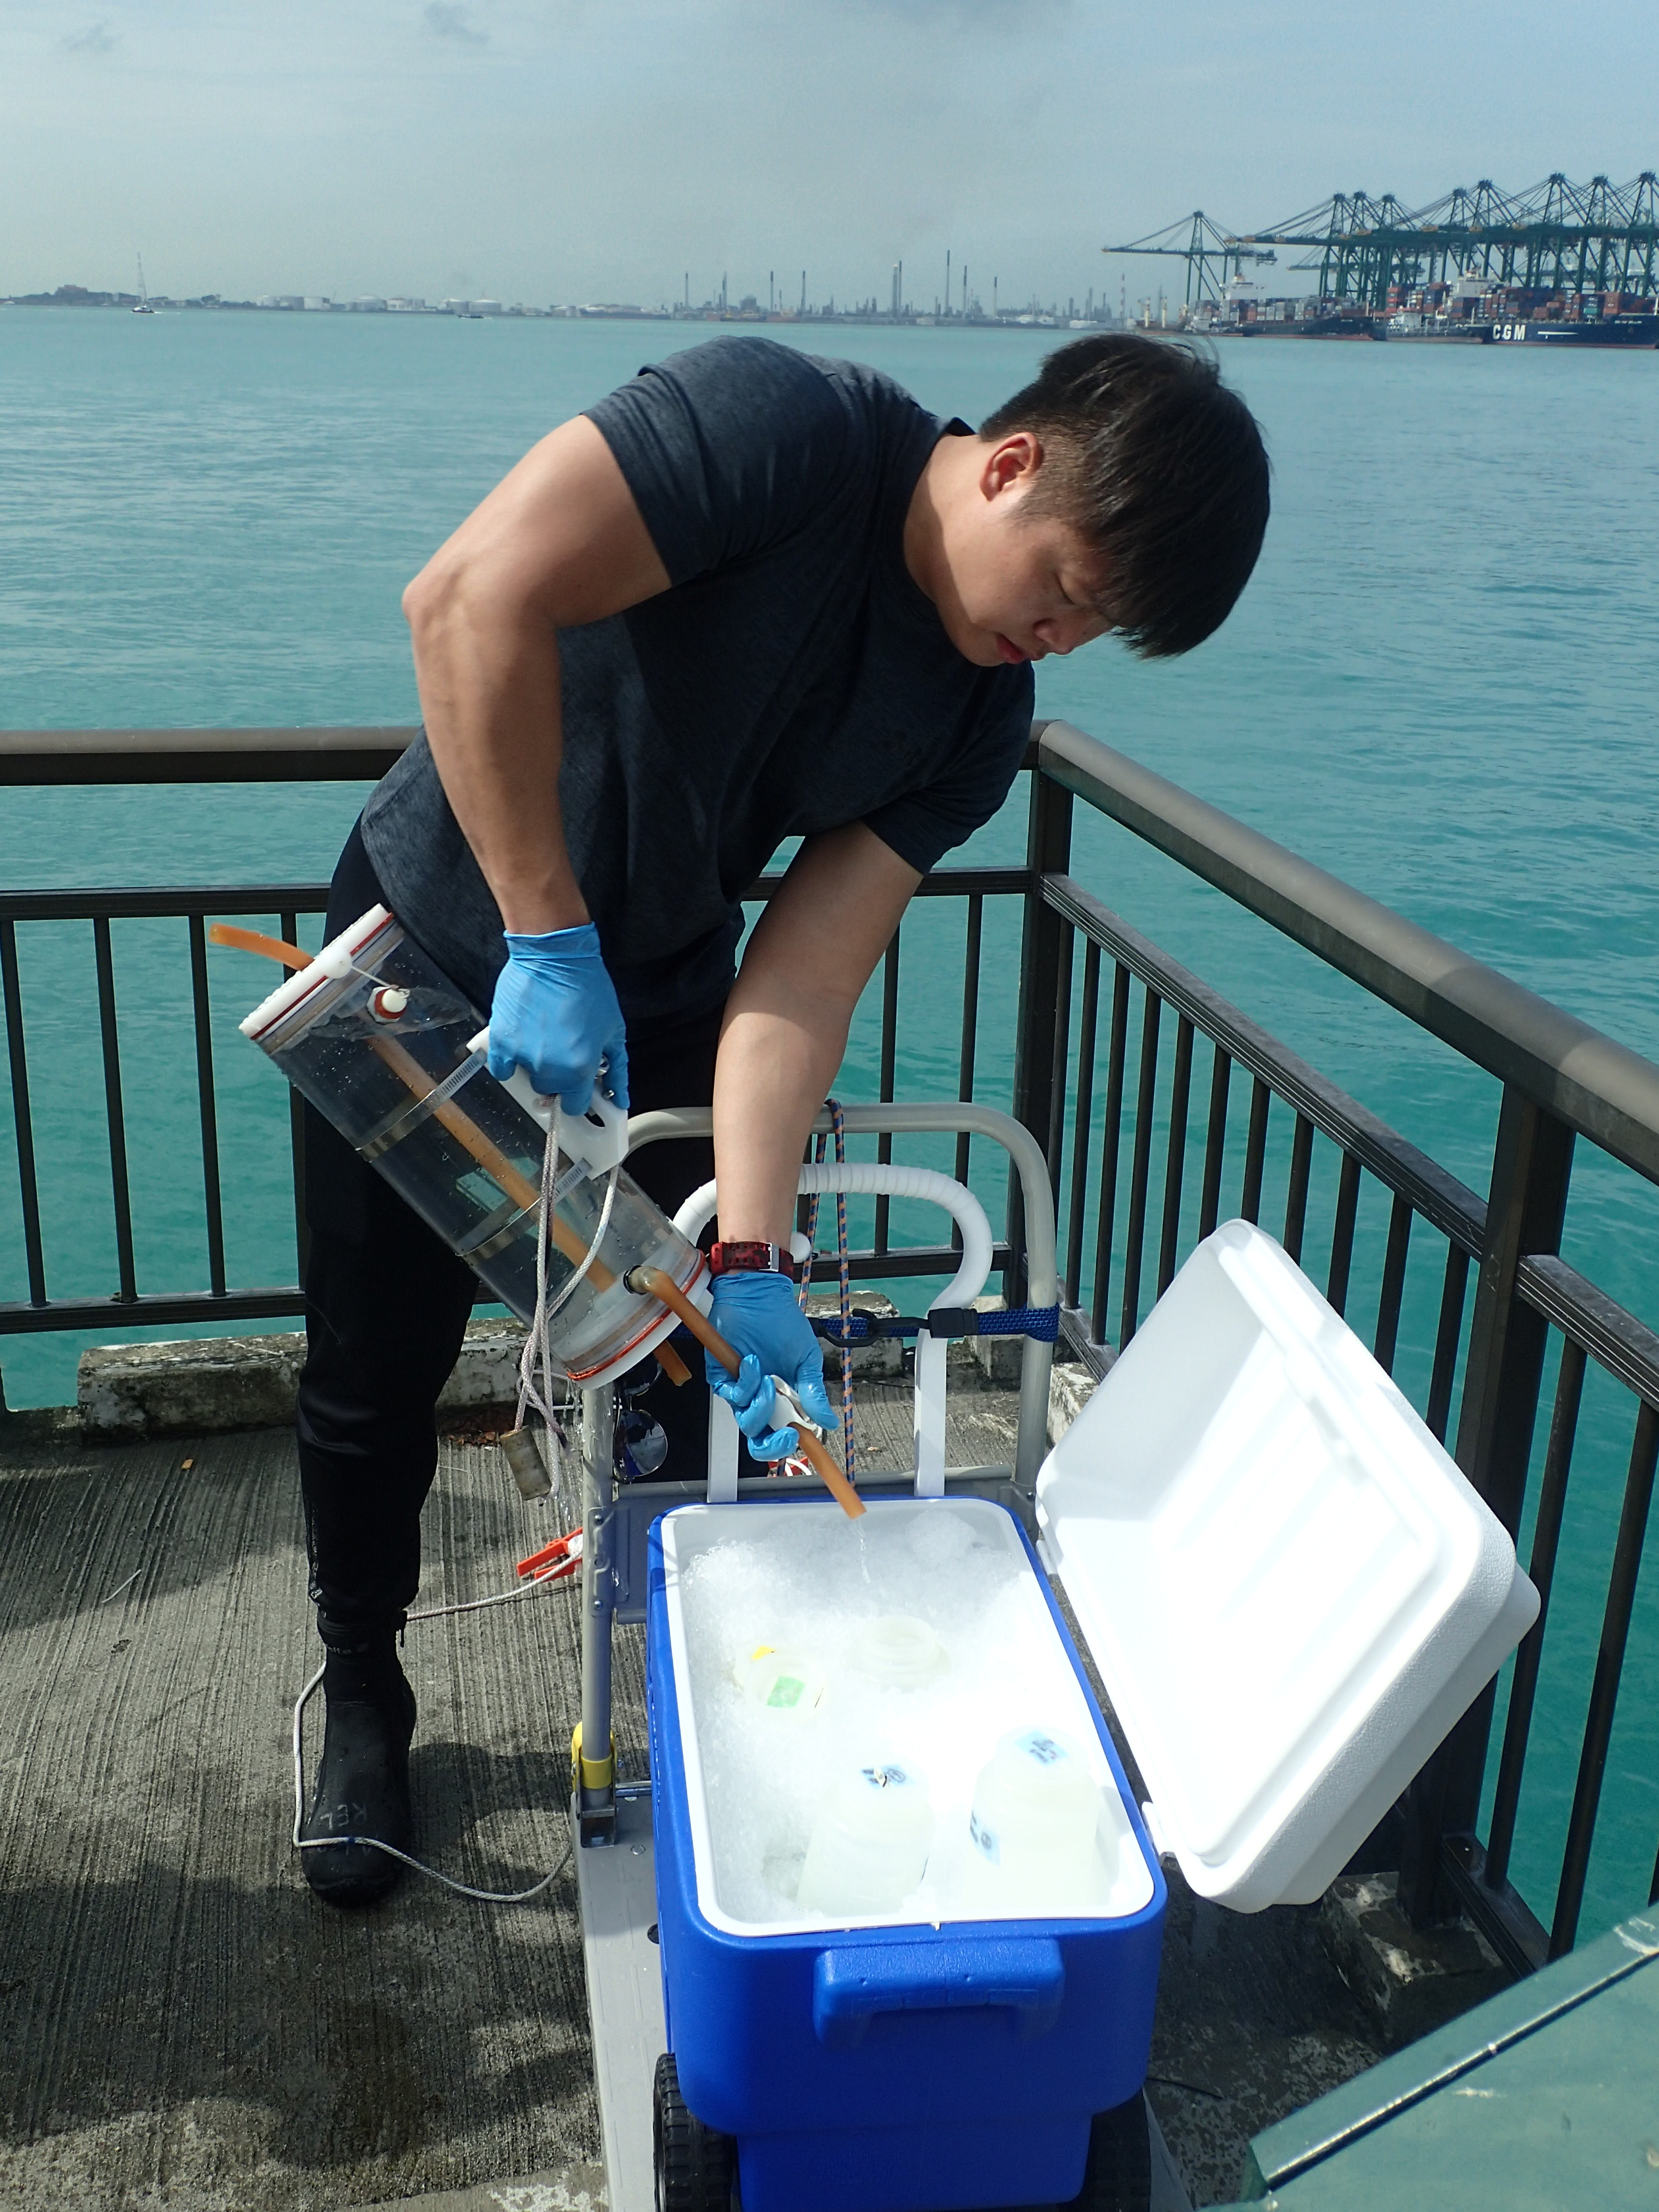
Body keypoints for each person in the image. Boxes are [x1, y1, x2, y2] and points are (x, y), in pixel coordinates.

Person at [296, 331, 1269, 1905]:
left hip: (662, 992)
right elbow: (468, 596)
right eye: (1068, 590)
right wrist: (545, 931)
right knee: (372, 1372)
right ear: (1011, 466)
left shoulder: (978, 722)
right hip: (429, 939)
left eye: (1096, 630)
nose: (1058, 638)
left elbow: (805, 978)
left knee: (694, 1380)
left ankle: (705, 1695)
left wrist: (752, 1255)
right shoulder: (782, 430)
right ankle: (363, 1690)